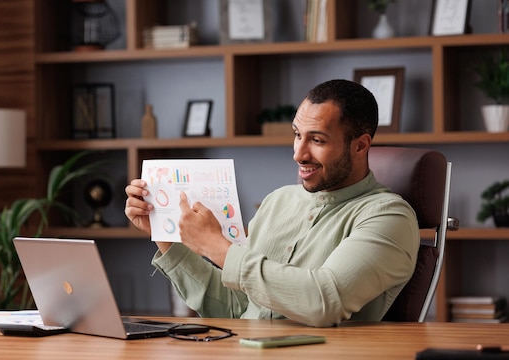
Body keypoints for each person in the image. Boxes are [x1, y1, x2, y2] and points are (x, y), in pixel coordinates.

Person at [124, 79, 419, 327]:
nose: (299, 153)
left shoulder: (389, 217)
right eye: (297, 135)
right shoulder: (278, 201)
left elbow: (324, 301)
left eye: (317, 140)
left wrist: (215, 247)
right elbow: (234, 307)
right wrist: (165, 235)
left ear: (360, 145)